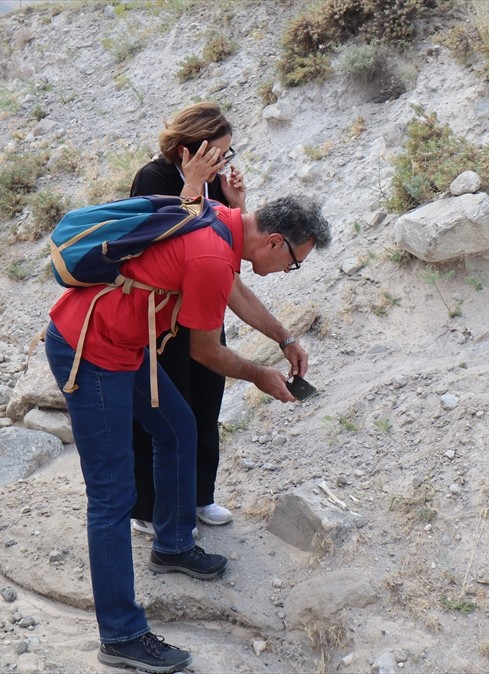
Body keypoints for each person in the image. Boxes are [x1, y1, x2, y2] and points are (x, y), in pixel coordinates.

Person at [43, 134, 331, 671]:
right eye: (294, 264)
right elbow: (205, 350)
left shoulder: (221, 219)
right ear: (271, 241)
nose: (291, 272)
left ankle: (172, 543)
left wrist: (285, 339)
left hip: (125, 345)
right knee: (111, 496)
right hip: (91, 350)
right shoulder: (209, 251)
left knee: (176, 428)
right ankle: (121, 637)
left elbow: (236, 295)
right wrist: (260, 375)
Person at [127, 102, 310, 535]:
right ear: (193, 147)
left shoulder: (211, 188)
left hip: (201, 313)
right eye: (220, 153)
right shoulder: (154, 178)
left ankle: (197, 496)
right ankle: (150, 511)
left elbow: (226, 266)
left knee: (205, 405)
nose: (226, 162)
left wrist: (235, 205)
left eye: (228, 154)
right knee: (166, 416)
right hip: (161, 320)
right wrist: (192, 189)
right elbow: (152, 244)